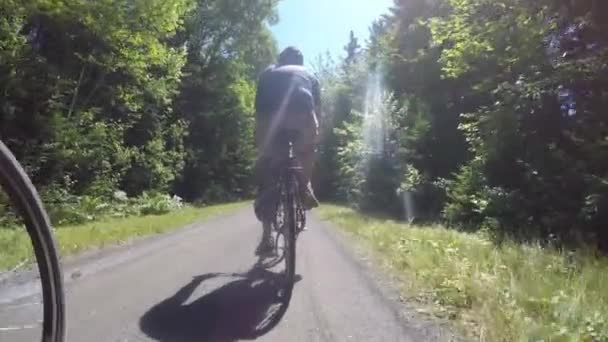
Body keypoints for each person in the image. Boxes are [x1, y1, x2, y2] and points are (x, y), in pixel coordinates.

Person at [253, 46, 321, 254]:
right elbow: (318, 109)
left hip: (271, 118)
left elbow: (258, 108)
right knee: (307, 150)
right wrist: (314, 135)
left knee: (269, 166)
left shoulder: (269, 72)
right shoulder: (309, 74)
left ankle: (267, 239)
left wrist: (260, 141)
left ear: (280, 60)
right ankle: (304, 187)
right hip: (302, 116)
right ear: (300, 61)